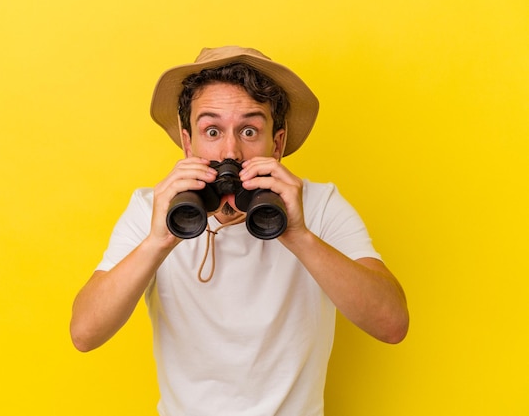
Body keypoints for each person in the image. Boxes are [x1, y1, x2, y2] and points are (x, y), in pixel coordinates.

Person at [70, 46, 409, 416]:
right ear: (188, 144)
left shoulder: (318, 204)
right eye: (212, 130)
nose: (230, 151)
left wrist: (298, 235)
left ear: (276, 145)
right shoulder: (151, 209)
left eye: (249, 130)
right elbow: (85, 333)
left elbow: (391, 324)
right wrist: (160, 239)